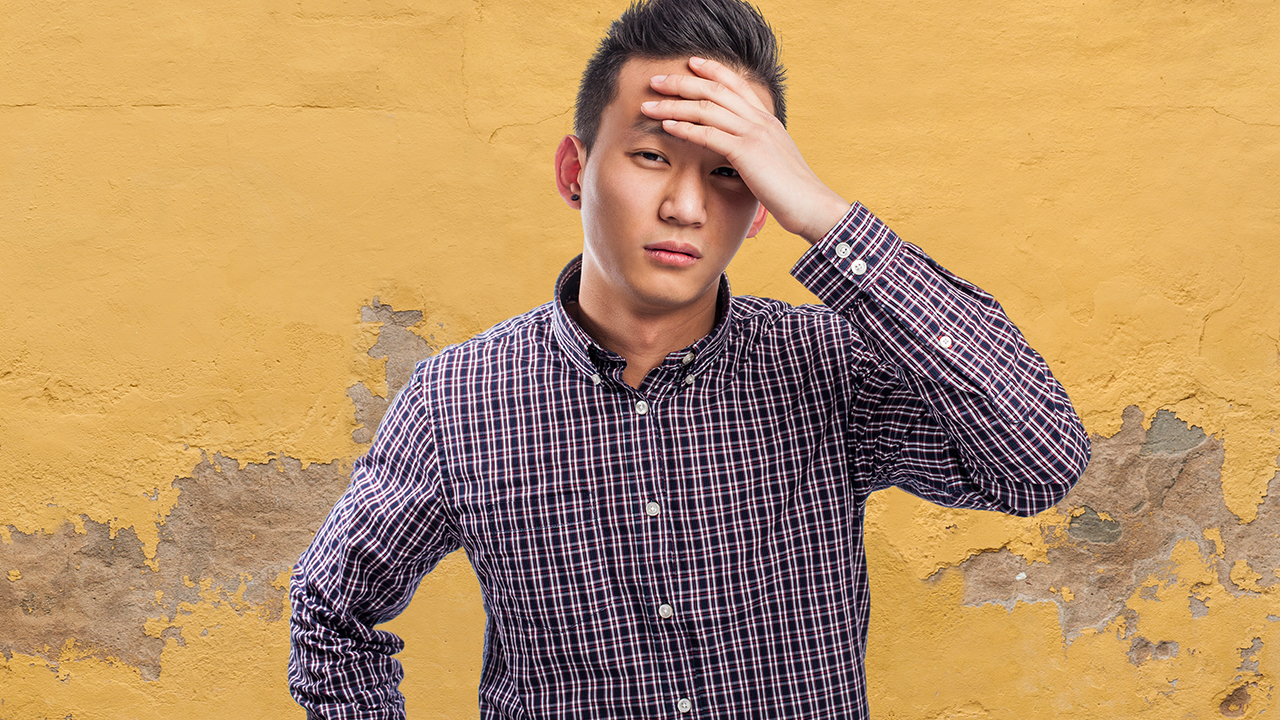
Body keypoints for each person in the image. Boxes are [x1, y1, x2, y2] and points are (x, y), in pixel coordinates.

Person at [287, 0, 1091, 717]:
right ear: (575, 172)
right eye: (650, 157)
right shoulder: (459, 400)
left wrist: (826, 217)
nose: (685, 206)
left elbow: (1039, 465)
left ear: (761, 206)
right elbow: (330, 613)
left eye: (729, 172)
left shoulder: (828, 364)